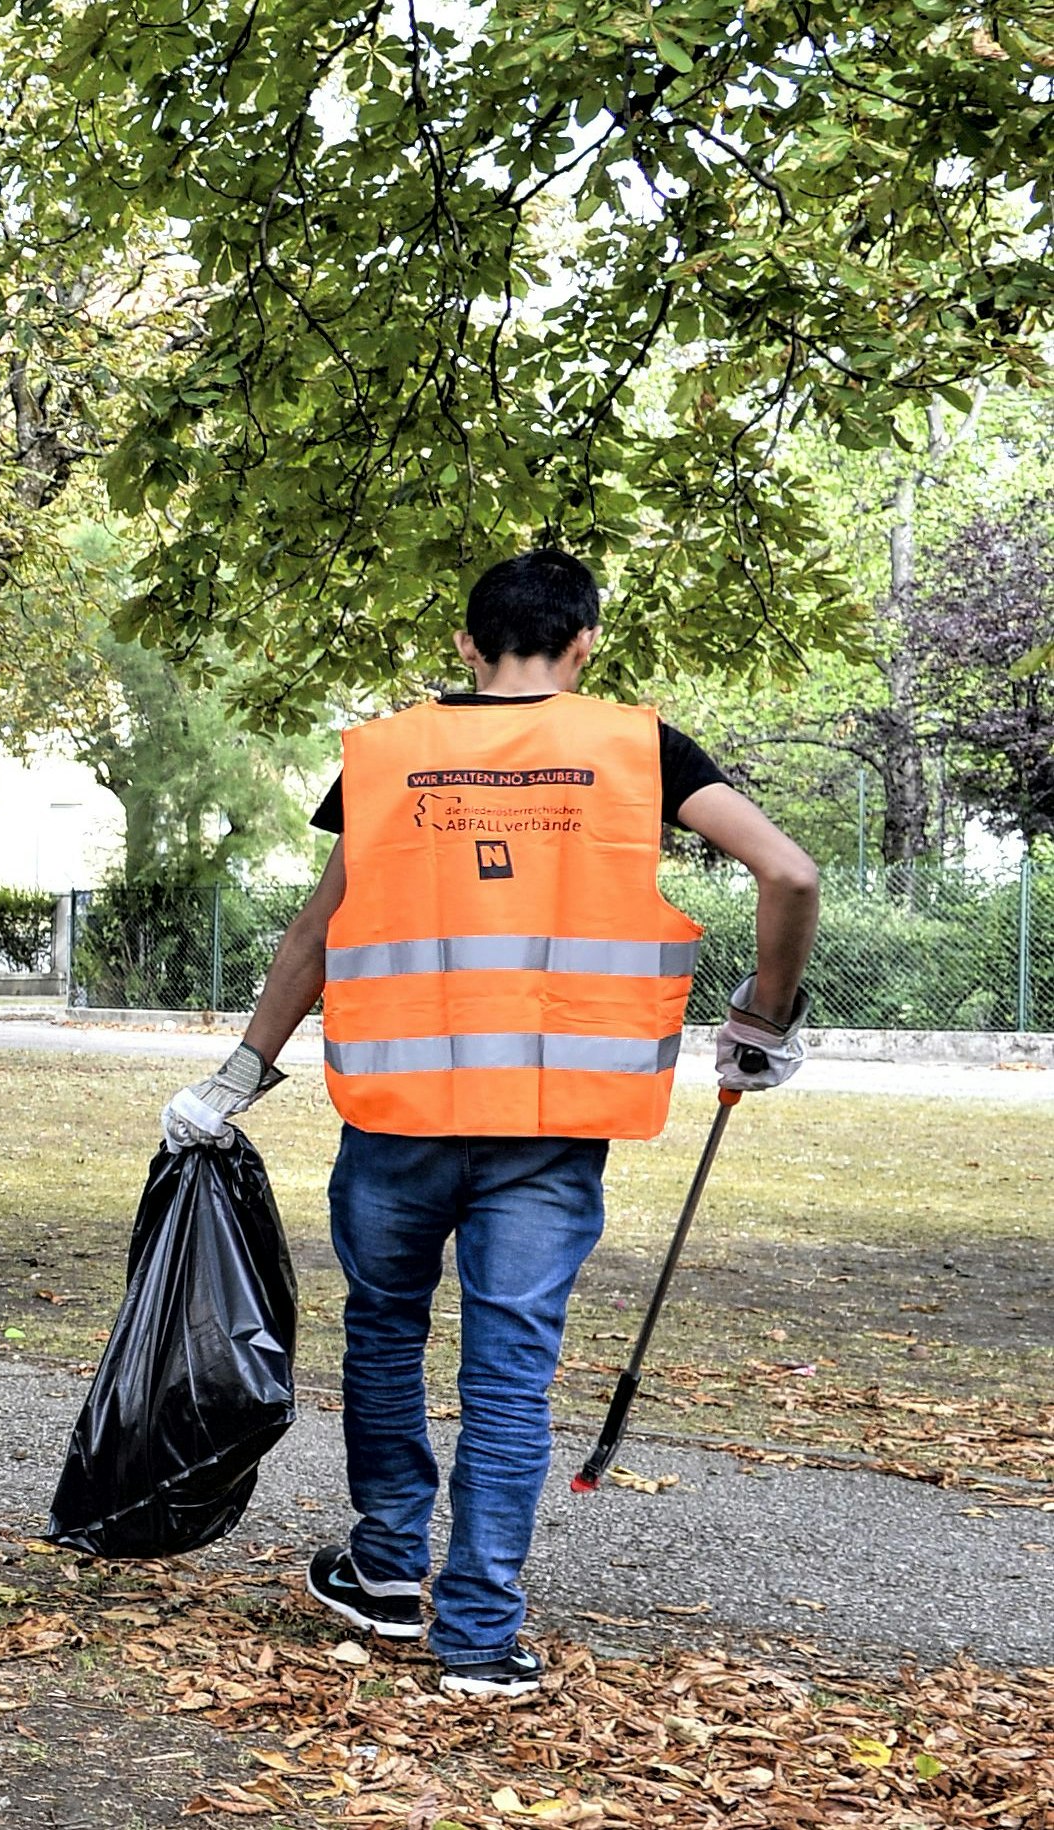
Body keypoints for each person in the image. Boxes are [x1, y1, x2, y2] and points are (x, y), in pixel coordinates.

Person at [161, 548, 820, 1699]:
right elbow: (790, 875)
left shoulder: (385, 756)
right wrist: (761, 1019)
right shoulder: (639, 749)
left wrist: (234, 1078)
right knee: (508, 1376)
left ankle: (382, 1569)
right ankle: (475, 1637)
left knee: (383, 1336)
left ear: (465, 645)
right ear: (582, 646)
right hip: (549, 1125)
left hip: (398, 1117)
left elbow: (316, 931)